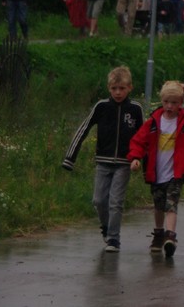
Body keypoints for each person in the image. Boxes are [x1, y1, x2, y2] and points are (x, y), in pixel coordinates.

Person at [62, 66, 144, 252]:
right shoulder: (101, 106)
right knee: (99, 200)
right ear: (109, 88)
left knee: (115, 202)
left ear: (130, 88)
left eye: (122, 88)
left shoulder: (135, 109)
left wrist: (139, 158)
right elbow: (84, 129)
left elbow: (143, 136)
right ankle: (106, 227)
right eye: (114, 88)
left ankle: (113, 239)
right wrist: (70, 158)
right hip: (103, 162)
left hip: (124, 163)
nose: (118, 92)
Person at [127, 81, 184, 257]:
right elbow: (138, 141)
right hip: (157, 172)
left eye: (174, 103)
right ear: (162, 101)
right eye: (166, 102)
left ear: (181, 103)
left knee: (171, 204)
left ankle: (170, 236)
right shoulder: (153, 121)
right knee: (159, 205)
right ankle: (158, 234)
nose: (169, 106)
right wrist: (135, 158)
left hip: (176, 173)